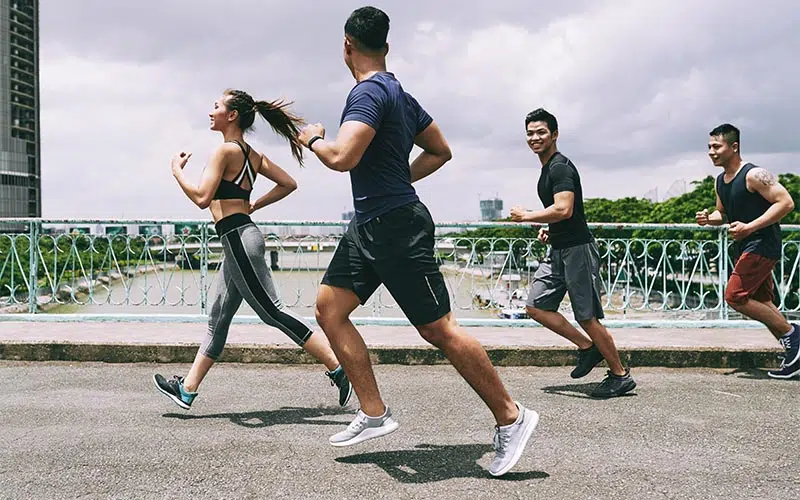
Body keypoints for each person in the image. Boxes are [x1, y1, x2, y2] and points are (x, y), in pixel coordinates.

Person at [295, 6, 537, 477]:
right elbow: (440, 151)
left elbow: (342, 156)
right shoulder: (399, 94)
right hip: (371, 224)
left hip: (395, 227)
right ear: (385, 46)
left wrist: (313, 139)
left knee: (439, 329)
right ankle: (373, 412)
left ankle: (512, 416)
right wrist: (395, 180)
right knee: (329, 309)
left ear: (347, 45)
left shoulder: (367, 93)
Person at [153, 89, 352, 409]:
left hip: (238, 239)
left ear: (232, 115)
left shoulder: (224, 152)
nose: (211, 111)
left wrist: (177, 172)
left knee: (272, 311)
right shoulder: (251, 155)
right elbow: (288, 183)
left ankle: (338, 367)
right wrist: (254, 205)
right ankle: (186, 390)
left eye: (216, 106)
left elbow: (203, 198)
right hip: (240, 236)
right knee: (217, 317)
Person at [510, 108, 637, 398]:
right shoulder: (548, 169)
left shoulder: (559, 167)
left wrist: (528, 216)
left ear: (554, 134)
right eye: (530, 133)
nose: (534, 137)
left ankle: (619, 374)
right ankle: (587, 348)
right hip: (558, 248)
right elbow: (562, 214)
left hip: (578, 250)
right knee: (536, 306)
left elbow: (564, 209)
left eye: (541, 132)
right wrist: (549, 229)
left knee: (587, 316)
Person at [697, 123, 799, 379]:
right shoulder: (720, 180)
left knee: (735, 296)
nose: (711, 152)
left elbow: (786, 202)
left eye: (717, 146)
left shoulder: (754, 174)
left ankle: (793, 335)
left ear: (734, 146)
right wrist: (711, 218)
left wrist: (750, 227)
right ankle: (794, 355)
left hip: (762, 244)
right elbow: (724, 212)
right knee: (763, 302)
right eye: (709, 146)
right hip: (745, 245)